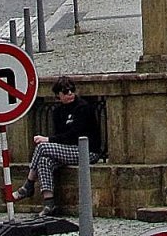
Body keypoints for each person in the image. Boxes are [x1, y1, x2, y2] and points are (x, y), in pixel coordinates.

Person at [14, 78, 103, 217]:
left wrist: (48, 140)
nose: (70, 93)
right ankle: (49, 203)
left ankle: (29, 184)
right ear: (58, 95)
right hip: (67, 150)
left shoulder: (83, 107)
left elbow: (74, 134)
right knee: (44, 161)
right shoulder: (58, 111)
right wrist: (53, 141)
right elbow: (61, 135)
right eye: (66, 91)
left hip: (87, 150)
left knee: (43, 147)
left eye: (72, 90)